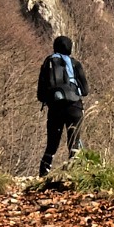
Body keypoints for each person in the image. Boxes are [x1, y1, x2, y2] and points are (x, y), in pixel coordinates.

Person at [36, 34, 88, 177]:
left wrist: (51, 99)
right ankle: (74, 175)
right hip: (75, 108)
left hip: (55, 109)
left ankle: (43, 176)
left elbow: (40, 94)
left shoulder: (48, 62)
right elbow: (85, 91)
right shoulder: (75, 64)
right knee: (74, 143)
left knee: (52, 145)